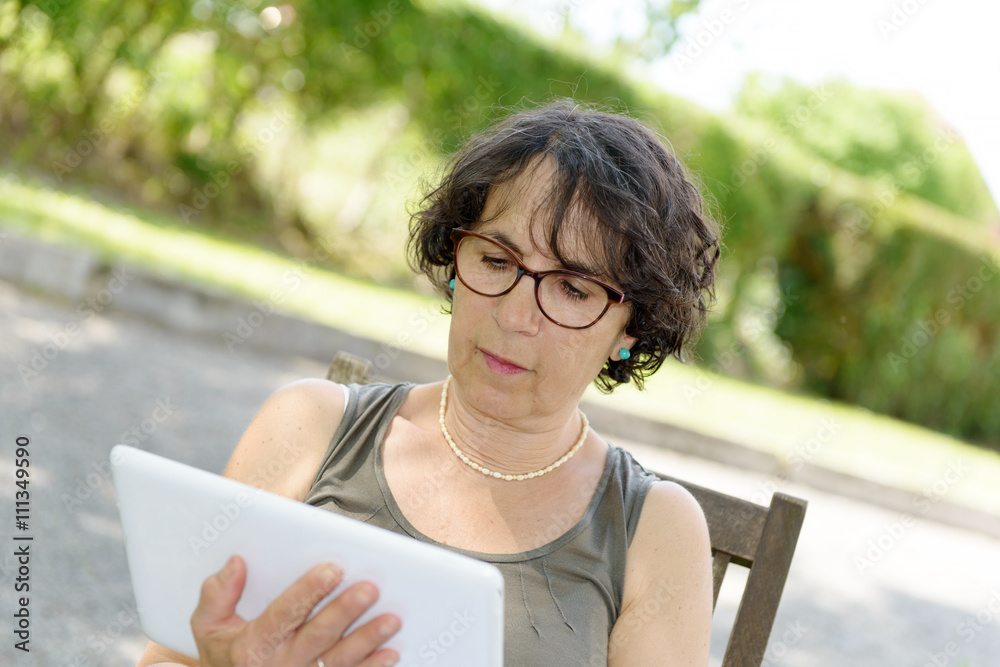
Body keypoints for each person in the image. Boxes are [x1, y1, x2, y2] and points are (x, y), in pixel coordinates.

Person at [137, 100, 721, 667]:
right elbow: (169, 656)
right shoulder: (308, 425)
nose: (516, 316)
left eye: (573, 288)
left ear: (632, 329)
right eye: (496, 261)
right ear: (454, 261)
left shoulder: (655, 529)